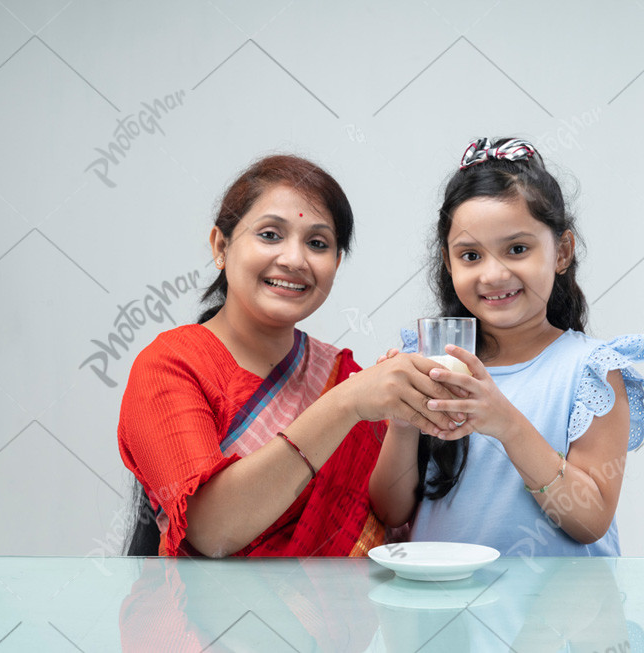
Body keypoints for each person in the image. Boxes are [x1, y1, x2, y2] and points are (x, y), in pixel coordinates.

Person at [119, 154, 459, 557]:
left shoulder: (340, 372)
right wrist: (345, 404)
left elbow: (391, 515)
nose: (294, 260)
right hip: (208, 618)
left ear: (335, 263)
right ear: (221, 246)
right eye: (269, 234)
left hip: (340, 616)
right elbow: (213, 531)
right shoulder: (170, 367)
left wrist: (404, 426)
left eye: (317, 243)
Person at [369, 137, 644, 555]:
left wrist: (506, 423)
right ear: (448, 262)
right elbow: (391, 513)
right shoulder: (431, 360)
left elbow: (590, 520)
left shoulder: (591, 370)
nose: (494, 274)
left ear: (562, 251)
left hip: (554, 616)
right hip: (447, 613)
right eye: (470, 256)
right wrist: (404, 424)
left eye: (517, 249)